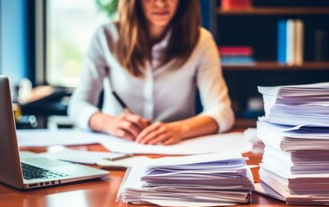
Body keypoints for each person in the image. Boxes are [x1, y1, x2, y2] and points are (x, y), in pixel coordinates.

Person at [68, 0, 234, 145]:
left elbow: (222, 111)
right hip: (116, 150)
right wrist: (108, 123)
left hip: (175, 150)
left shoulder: (201, 40)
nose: (161, 3)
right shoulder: (106, 36)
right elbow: (77, 105)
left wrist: (180, 129)